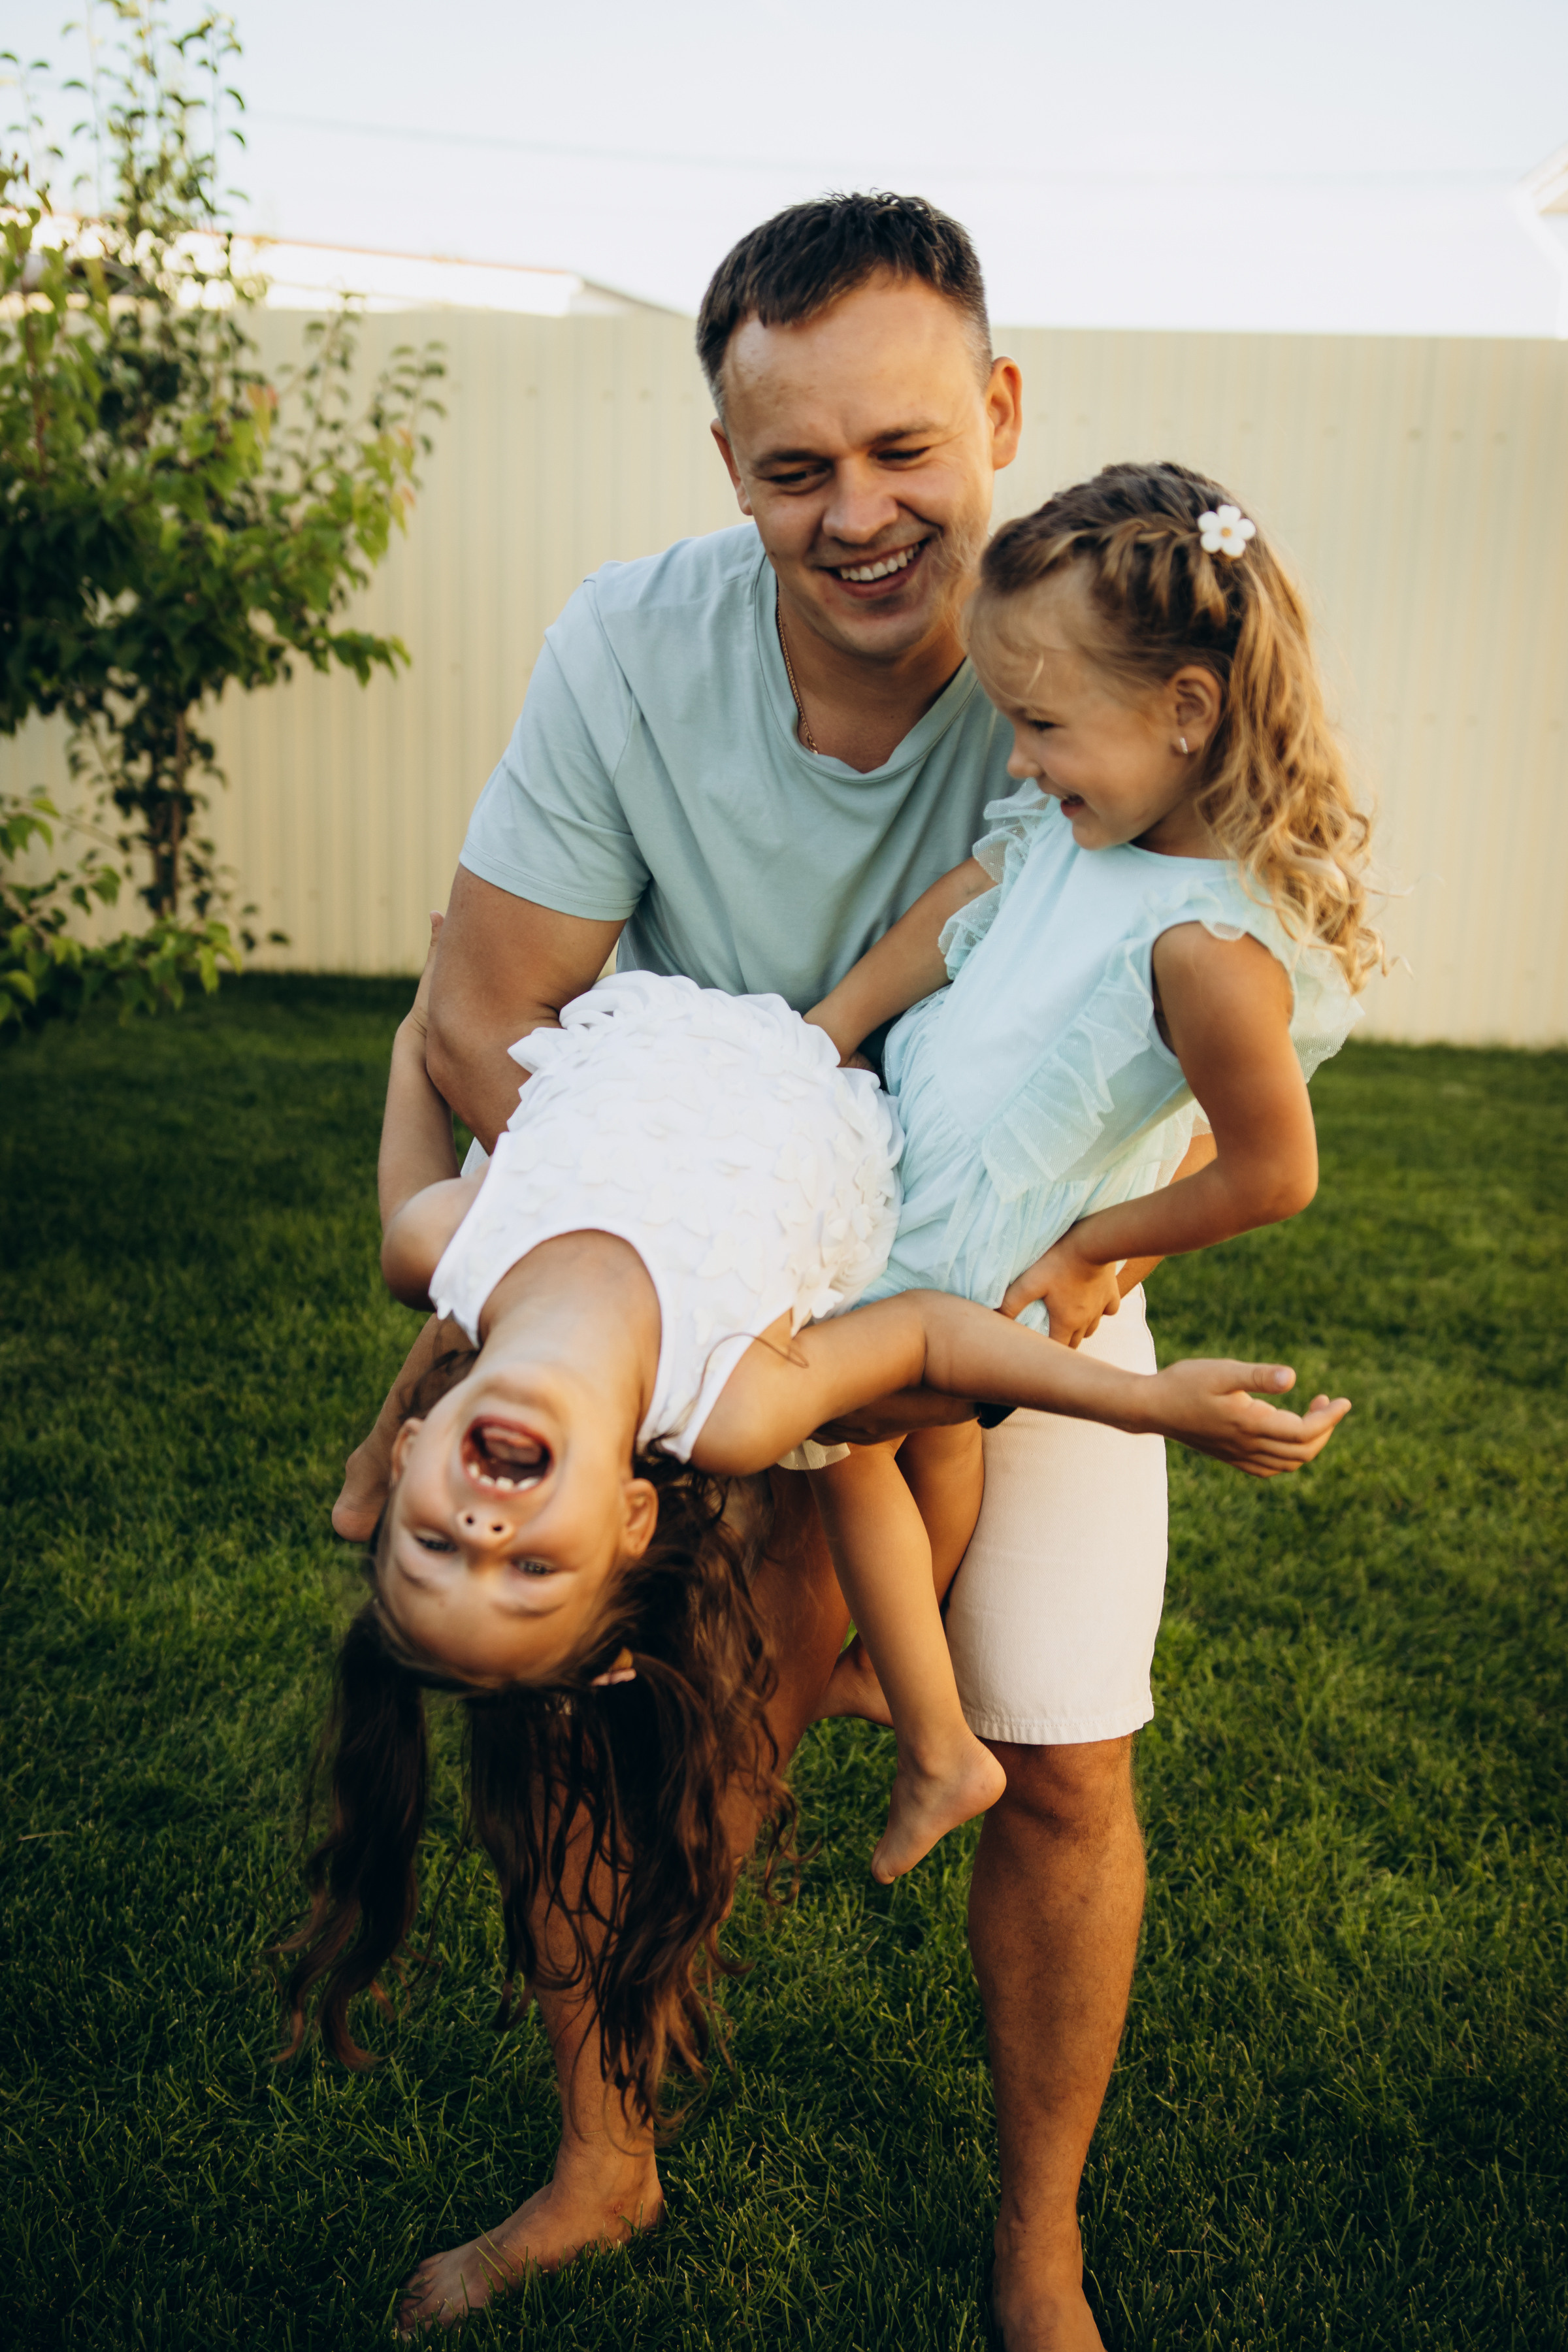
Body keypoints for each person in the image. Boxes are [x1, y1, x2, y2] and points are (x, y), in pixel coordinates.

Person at [325, 195, 1362, 2348]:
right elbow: (489, 1020)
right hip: (711, 1251)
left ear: (997, 405)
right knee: (580, 1702)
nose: (861, 516)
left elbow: (1186, 1025)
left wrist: (1054, 1294)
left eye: (906, 450)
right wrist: (657, 1291)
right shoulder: (634, 649)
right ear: (728, 464)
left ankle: (1038, 2246)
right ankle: (600, 2155)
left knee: (1068, 1755)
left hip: (1015, 1268)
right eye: (795, 469)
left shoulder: (1092, 638)